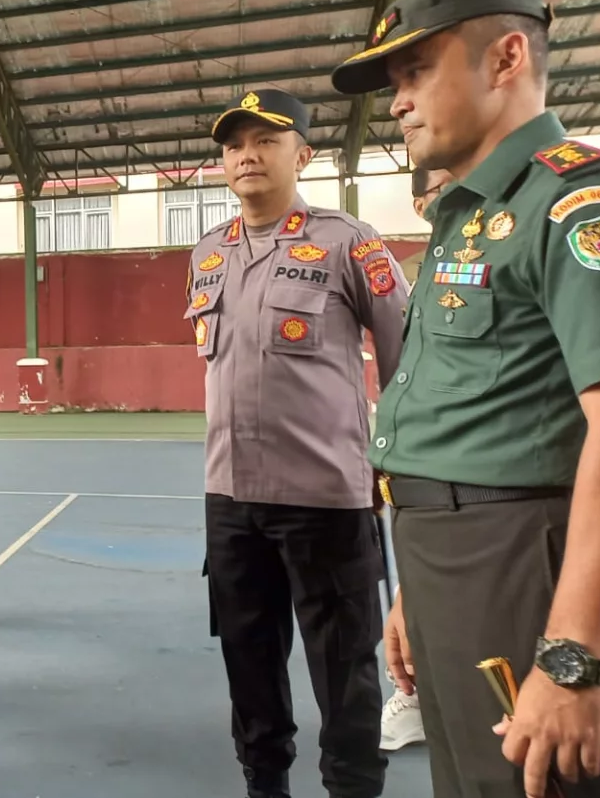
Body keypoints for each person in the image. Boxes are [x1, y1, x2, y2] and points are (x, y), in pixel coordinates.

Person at [333, 0, 600, 798]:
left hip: (524, 564)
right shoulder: (469, 217)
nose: (399, 100)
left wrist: (572, 653)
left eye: (417, 72)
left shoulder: (574, 204)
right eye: (394, 83)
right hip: (446, 558)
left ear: (506, 57)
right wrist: (416, 586)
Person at [188, 89, 408, 798]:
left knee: (345, 671)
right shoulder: (207, 252)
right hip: (230, 501)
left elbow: (409, 357)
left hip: (328, 499)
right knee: (249, 667)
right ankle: (266, 785)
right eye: (233, 145)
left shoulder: (350, 240)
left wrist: (397, 463)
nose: (246, 155)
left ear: (303, 154)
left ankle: (352, 786)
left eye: (265, 140)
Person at [377, 165, 453, 755]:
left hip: (503, 493)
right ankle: (422, 695)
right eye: (427, 192)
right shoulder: (420, 272)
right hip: (424, 482)